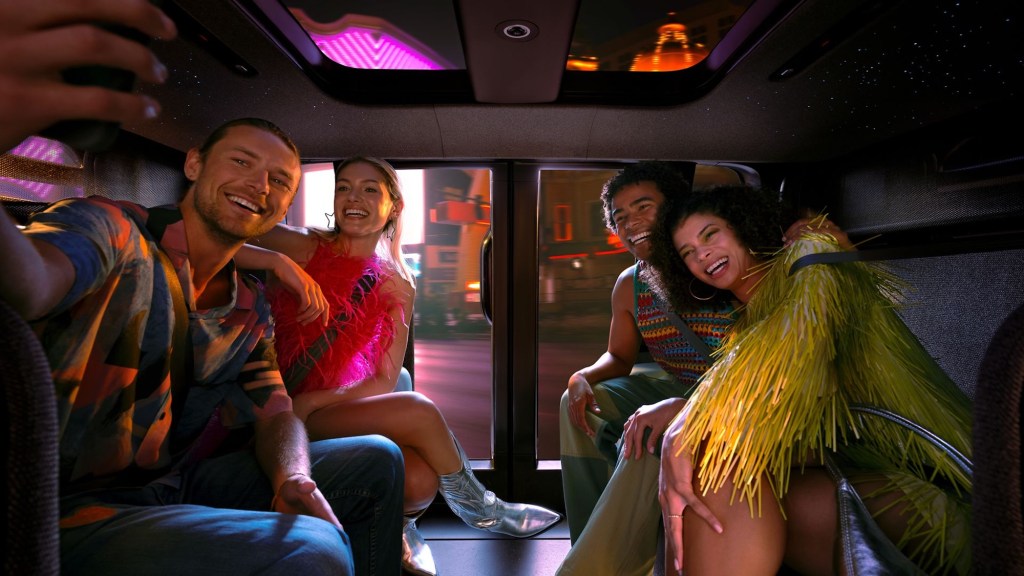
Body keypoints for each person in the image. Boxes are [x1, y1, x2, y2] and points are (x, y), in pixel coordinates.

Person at [1, 6, 405, 573]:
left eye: (279, 180)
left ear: (284, 207)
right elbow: (29, 283)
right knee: (313, 550)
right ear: (194, 164)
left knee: (378, 459)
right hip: (66, 510)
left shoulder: (249, 306)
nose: (258, 184)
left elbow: (276, 413)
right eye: (241, 161)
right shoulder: (113, 231)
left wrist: (293, 476)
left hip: (174, 483)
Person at [235, 157, 561, 576]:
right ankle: (483, 509)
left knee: (420, 478)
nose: (353, 198)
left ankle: (402, 524)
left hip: (314, 407)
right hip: (272, 408)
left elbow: (384, 379)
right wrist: (275, 262)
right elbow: (211, 234)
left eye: (370, 189)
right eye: (344, 187)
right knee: (418, 409)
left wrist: (314, 401)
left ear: (394, 206)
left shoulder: (397, 283)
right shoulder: (304, 246)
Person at [650, 185, 972, 575]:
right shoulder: (746, 329)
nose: (701, 254)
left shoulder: (812, 256)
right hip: (855, 482)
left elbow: (788, 351)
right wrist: (687, 415)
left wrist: (689, 420)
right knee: (716, 471)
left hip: (944, 494)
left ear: (742, 225)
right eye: (687, 252)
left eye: (710, 234)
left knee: (718, 466)